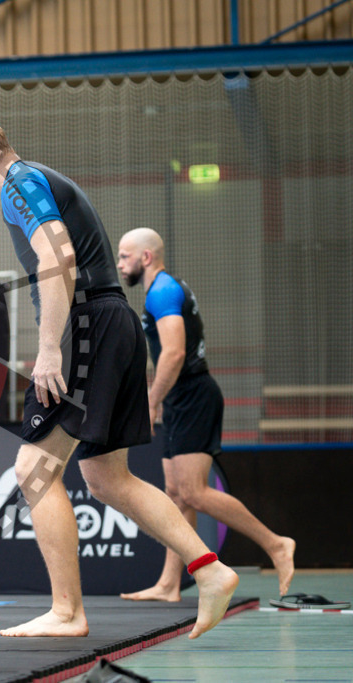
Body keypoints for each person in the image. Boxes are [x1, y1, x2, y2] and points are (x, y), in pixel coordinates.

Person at [0, 113, 238, 639]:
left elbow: (59, 258)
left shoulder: (18, 183)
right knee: (107, 479)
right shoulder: (37, 179)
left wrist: (51, 347)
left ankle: (66, 611)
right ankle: (210, 570)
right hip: (113, 322)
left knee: (34, 469)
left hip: (89, 325)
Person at [116, 227, 296, 601]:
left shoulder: (163, 291)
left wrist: (151, 399)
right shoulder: (162, 289)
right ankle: (169, 584)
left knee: (194, 493)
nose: (120, 264)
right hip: (181, 397)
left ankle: (276, 544)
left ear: (146, 257)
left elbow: (175, 353)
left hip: (194, 395)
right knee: (176, 495)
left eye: (125, 256)